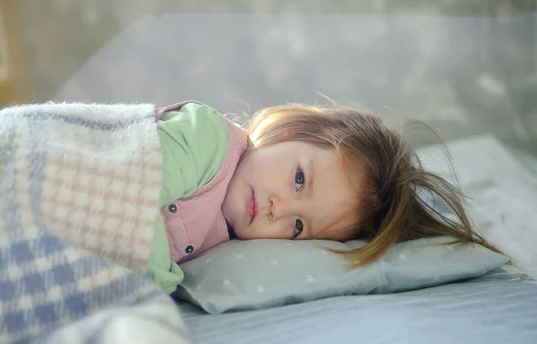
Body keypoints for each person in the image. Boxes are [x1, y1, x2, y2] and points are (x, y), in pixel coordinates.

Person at [149, 100, 499, 293]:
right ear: (288, 131)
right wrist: (153, 288)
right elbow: (136, 185)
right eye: (299, 179)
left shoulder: (224, 237)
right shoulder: (208, 138)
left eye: (298, 226)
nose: (279, 208)